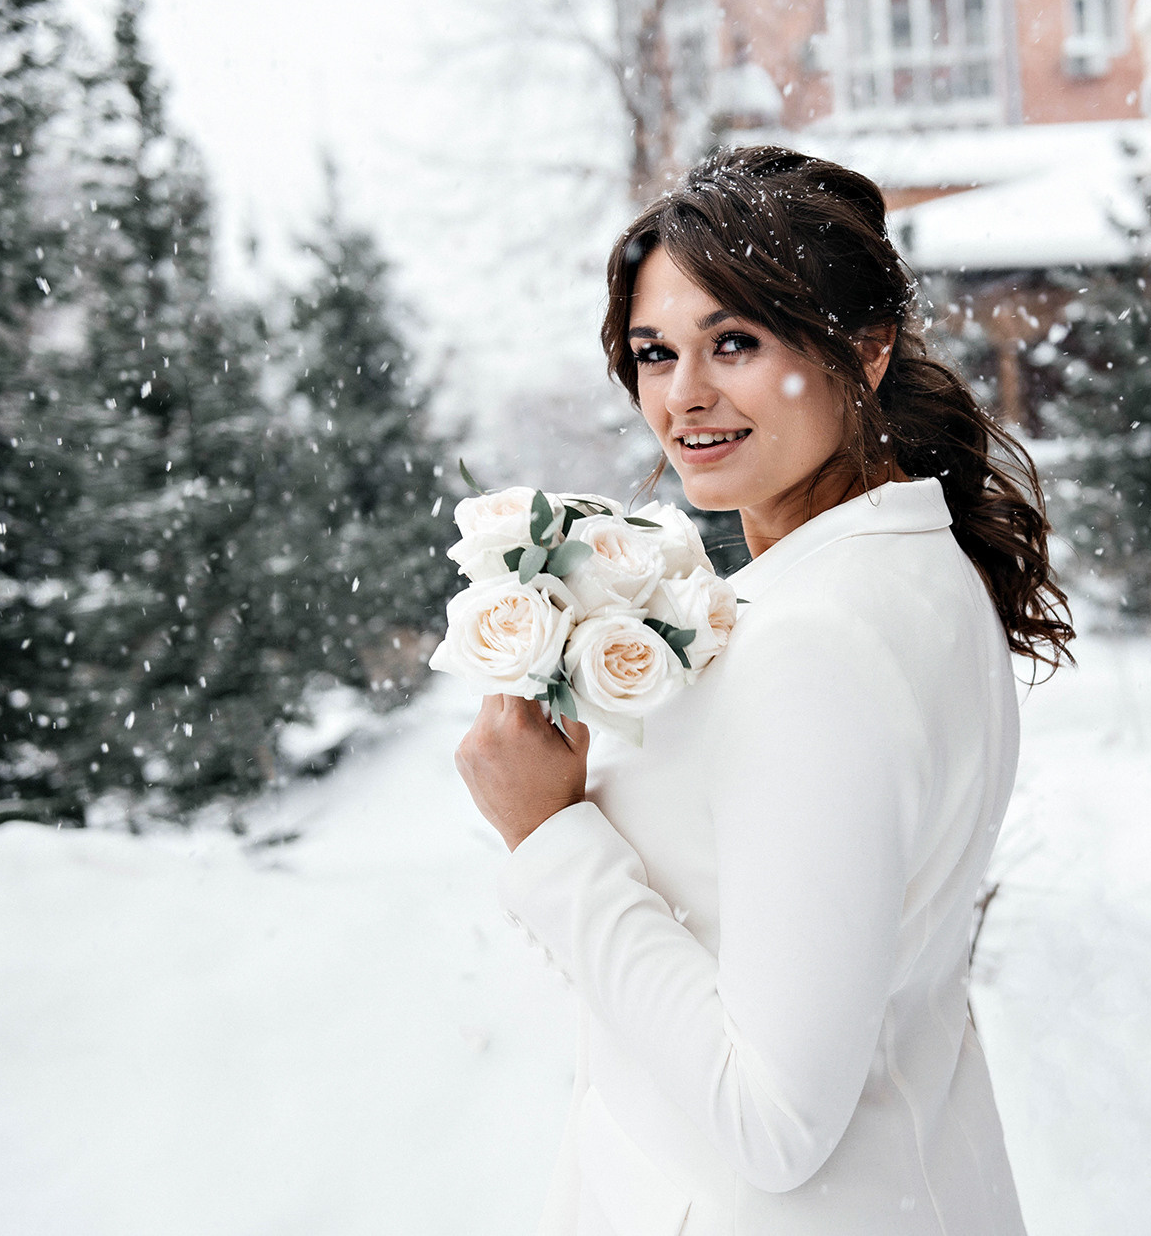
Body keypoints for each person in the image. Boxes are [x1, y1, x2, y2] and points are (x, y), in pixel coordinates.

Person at [454, 145, 1074, 1235]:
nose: (684, 396)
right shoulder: (912, 574)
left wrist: (548, 837)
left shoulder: (816, 642)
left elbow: (775, 1122)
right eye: (655, 352)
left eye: (732, 343)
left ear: (864, 352)